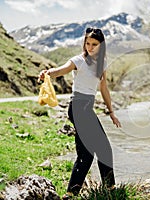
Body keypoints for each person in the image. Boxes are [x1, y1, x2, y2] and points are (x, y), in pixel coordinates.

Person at [38, 27, 121, 199]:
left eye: (94, 44)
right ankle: (109, 190)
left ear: (101, 45)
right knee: (102, 149)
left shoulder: (102, 63)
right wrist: (47, 73)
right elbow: (61, 70)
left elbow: (103, 87)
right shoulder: (79, 60)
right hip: (78, 106)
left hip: (87, 107)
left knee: (87, 153)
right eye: (87, 43)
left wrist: (111, 112)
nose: (90, 47)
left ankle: (71, 193)